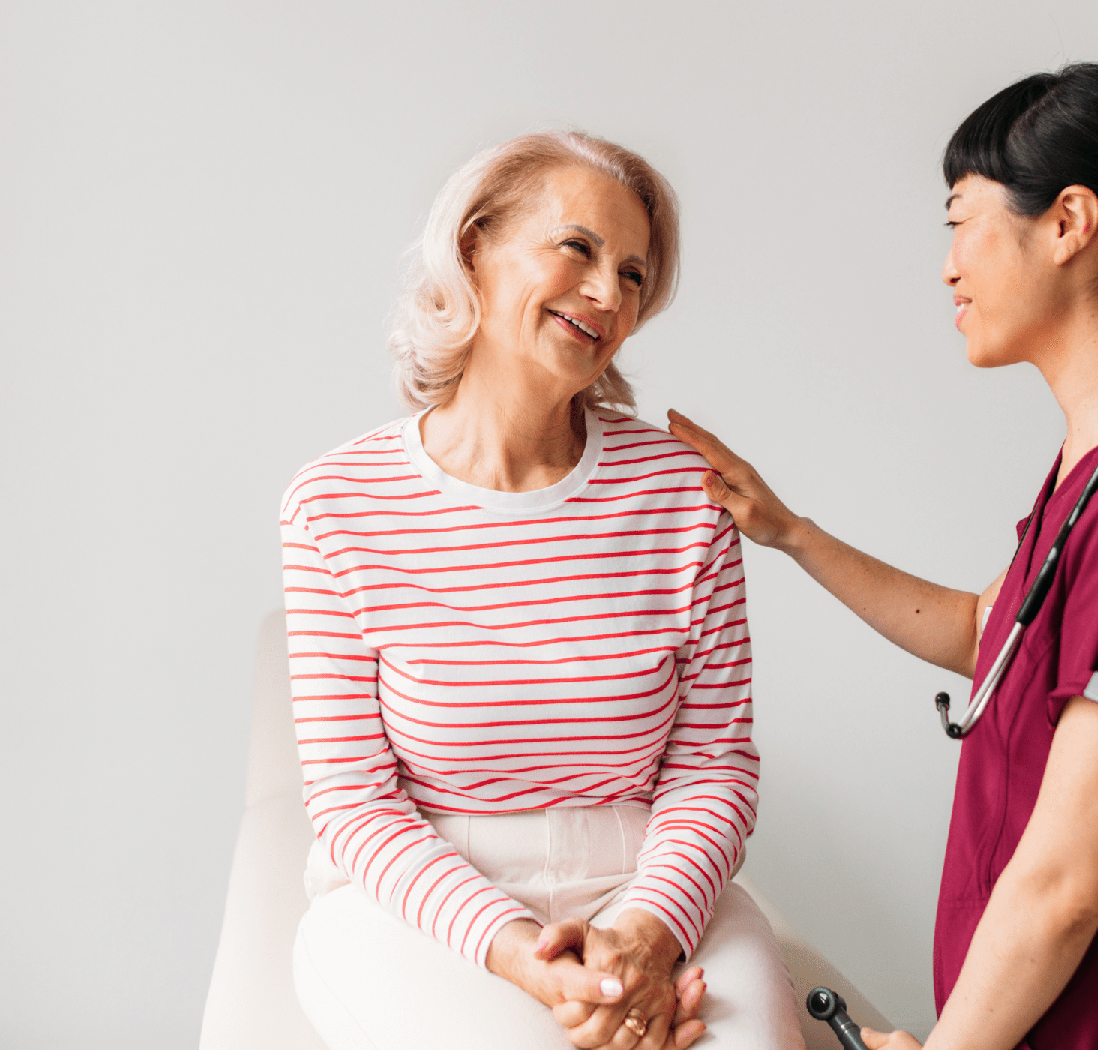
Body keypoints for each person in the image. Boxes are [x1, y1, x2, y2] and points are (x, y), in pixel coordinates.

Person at [670, 63, 1098, 1049]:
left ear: (1068, 223)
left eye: (960, 221)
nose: (947, 267)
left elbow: (1065, 887)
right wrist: (790, 531)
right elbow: (994, 633)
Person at [282, 131, 805, 1050]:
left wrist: (645, 937)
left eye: (634, 275)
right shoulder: (336, 503)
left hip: (647, 888)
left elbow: (714, 769)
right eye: (578, 248)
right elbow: (354, 802)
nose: (609, 294)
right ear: (474, 248)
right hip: (420, 905)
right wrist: (525, 955)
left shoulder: (682, 494)